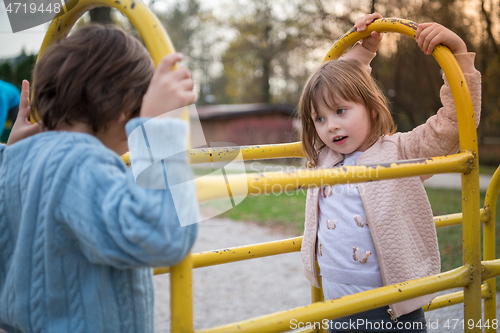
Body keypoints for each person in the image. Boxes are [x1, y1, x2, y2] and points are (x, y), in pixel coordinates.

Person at [0, 24, 198, 332]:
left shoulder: (14, 162)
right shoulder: (80, 163)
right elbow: (164, 236)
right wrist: (157, 129)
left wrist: (12, 153)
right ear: (124, 110)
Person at [299, 13, 481, 332]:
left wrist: (458, 51)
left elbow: (455, 125)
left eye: (340, 112)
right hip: (335, 308)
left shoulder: (400, 153)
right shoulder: (325, 157)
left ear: (371, 107)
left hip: (391, 311)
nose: (331, 126)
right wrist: (365, 49)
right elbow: (337, 83)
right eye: (320, 119)